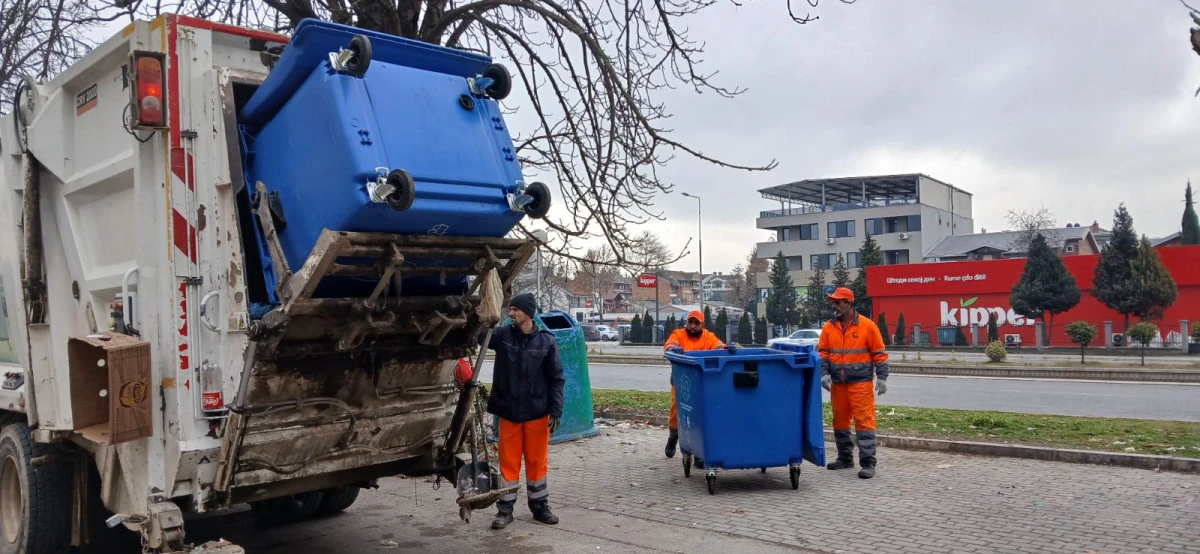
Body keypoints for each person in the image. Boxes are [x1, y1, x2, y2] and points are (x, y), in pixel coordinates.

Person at [484, 293, 566, 529]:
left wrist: (556, 411)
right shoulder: (502, 335)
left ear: (528, 313)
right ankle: (504, 511)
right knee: (508, 464)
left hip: (537, 414)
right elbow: (480, 336)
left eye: (515, 310)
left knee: (537, 463)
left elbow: (557, 379)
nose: (511, 314)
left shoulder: (546, 342)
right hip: (509, 413)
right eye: (510, 309)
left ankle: (539, 507)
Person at [818, 287, 889, 479]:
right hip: (838, 384)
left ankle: (868, 463)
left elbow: (879, 354)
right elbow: (823, 353)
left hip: (861, 384)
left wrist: (882, 377)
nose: (835, 305)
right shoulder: (829, 327)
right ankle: (845, 458)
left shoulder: (867, 326)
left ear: (848, 303)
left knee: (864, 422)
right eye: (833, 302)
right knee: (840, 422)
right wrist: (824, 373)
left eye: (838, 302)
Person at [662, 310, 733, 467]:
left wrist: (728, 349)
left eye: (696, 323)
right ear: (686, 323)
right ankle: (673, 436)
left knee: (701, 414)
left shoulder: (708, 336)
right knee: (676, 410)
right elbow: (669, 345)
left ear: (702, 325)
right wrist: (673, 350)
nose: (693, 326)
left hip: (703, 382)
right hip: (682, 381)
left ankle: (699, 452)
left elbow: (719, 346)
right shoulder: (679, 334)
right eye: (690, 323)